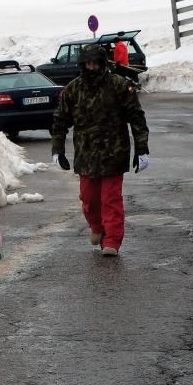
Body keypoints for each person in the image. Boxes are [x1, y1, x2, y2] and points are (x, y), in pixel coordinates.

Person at [50, 43, 149, 256]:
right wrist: (57, 150)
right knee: (89, 200)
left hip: (114, 153)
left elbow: (136, 117)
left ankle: (112, 240)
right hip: (86, 156)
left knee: (110, 199)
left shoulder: (119, 85)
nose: (92, 66)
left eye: (95, 62)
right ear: (82, 64)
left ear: (103, 63)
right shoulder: (73, 89)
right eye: (88, 63)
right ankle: (96, 226)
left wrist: (142, 149)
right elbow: (60, 121)